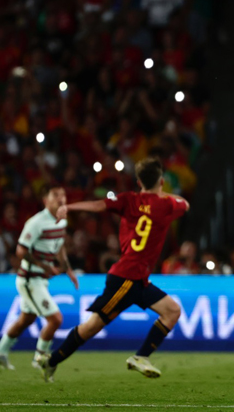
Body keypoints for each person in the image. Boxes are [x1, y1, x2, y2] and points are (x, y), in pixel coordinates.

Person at [38, 158, 189, 382]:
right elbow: (184, 203)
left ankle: (140, 357)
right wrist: (163, 195)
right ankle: (51, 361)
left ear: (138, 182)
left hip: (136, 279)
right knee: (91, 327)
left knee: (172, 311)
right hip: (127, 279)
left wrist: (69, 207)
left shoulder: (128, 200)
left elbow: (99, 205)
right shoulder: (166, 205)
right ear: (162, 181)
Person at [0, 186, 79, 370]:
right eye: (55, 195)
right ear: (46, 200)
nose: (61, 198)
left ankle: (0, 352)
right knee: (56, 320)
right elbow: (20, 251)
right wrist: (46, 267)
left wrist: (67, 269)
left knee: (26, 320)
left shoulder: (61, 220)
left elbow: (59, 245)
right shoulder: (36, 222)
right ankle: (40, 359)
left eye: (63, 194)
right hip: (30, 279)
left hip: (41, 279)